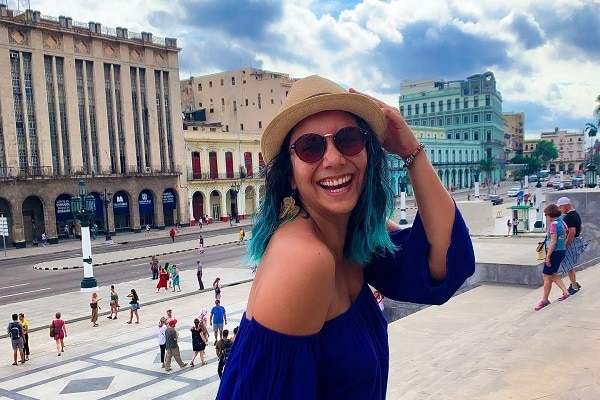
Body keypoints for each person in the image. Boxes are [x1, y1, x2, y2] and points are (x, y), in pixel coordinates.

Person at [215, 75, 475, 399]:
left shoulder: (350, 234)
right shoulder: (304, 260)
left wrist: (411, 151)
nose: (334, 159)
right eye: (310, 147)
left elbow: (442, 263)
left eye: (348, 139)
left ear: (367, 153)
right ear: (290, 176)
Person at [535, 204, 570, 311]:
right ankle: (566, 292)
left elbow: (553, 241)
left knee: (546, 276)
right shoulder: (562, 222)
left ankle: (544, 300)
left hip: (554, 252)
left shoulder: (554, 225)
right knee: (553, 274)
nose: (546, 216)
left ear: (550, 214)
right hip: (561, 251)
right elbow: (565, 235)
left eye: (546, 214)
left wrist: (548, 257)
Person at [557, 197, 588, 295]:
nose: (560, 209)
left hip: (571, 242)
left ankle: (574, 287)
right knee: (569, 265)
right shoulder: (575, 214)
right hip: (576, 240)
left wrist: (565, 245)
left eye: (560, 207)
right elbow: (580, 227)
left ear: (565, 205)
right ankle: (574, 283)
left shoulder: (569, 217)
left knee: (569, 265)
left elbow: (572, 232)